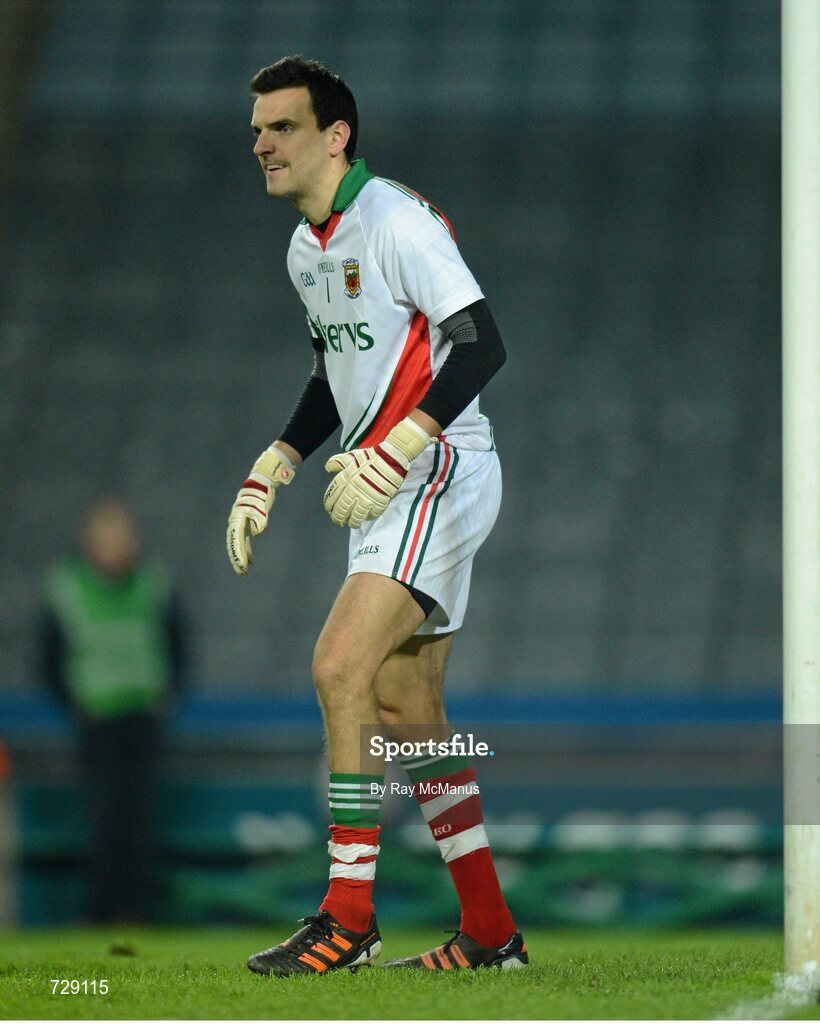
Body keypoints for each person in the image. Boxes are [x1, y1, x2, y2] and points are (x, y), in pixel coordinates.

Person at [227, 56, 526, 975]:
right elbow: (337, 372)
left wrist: (399, 446)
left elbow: (481, 342)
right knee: (403, 704)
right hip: (387, 477)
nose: (263, 144)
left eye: (281, 127)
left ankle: (348, 917)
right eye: (257, 131)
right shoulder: (303, 249)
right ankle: (488, 933)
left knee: (338, 664)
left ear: (335, 135)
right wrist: (276, 459)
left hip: (433, 467)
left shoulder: (394, 220)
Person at [39, 499, 185, 923]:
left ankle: (138, 910)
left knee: (140, 819)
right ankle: (101, 911)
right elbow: (49, 657)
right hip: (97, 720)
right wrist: (75, 703)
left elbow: (177, 645)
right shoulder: (65, 586)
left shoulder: (154, 583)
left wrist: (166, 692)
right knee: (103, 817)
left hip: (142, 718)